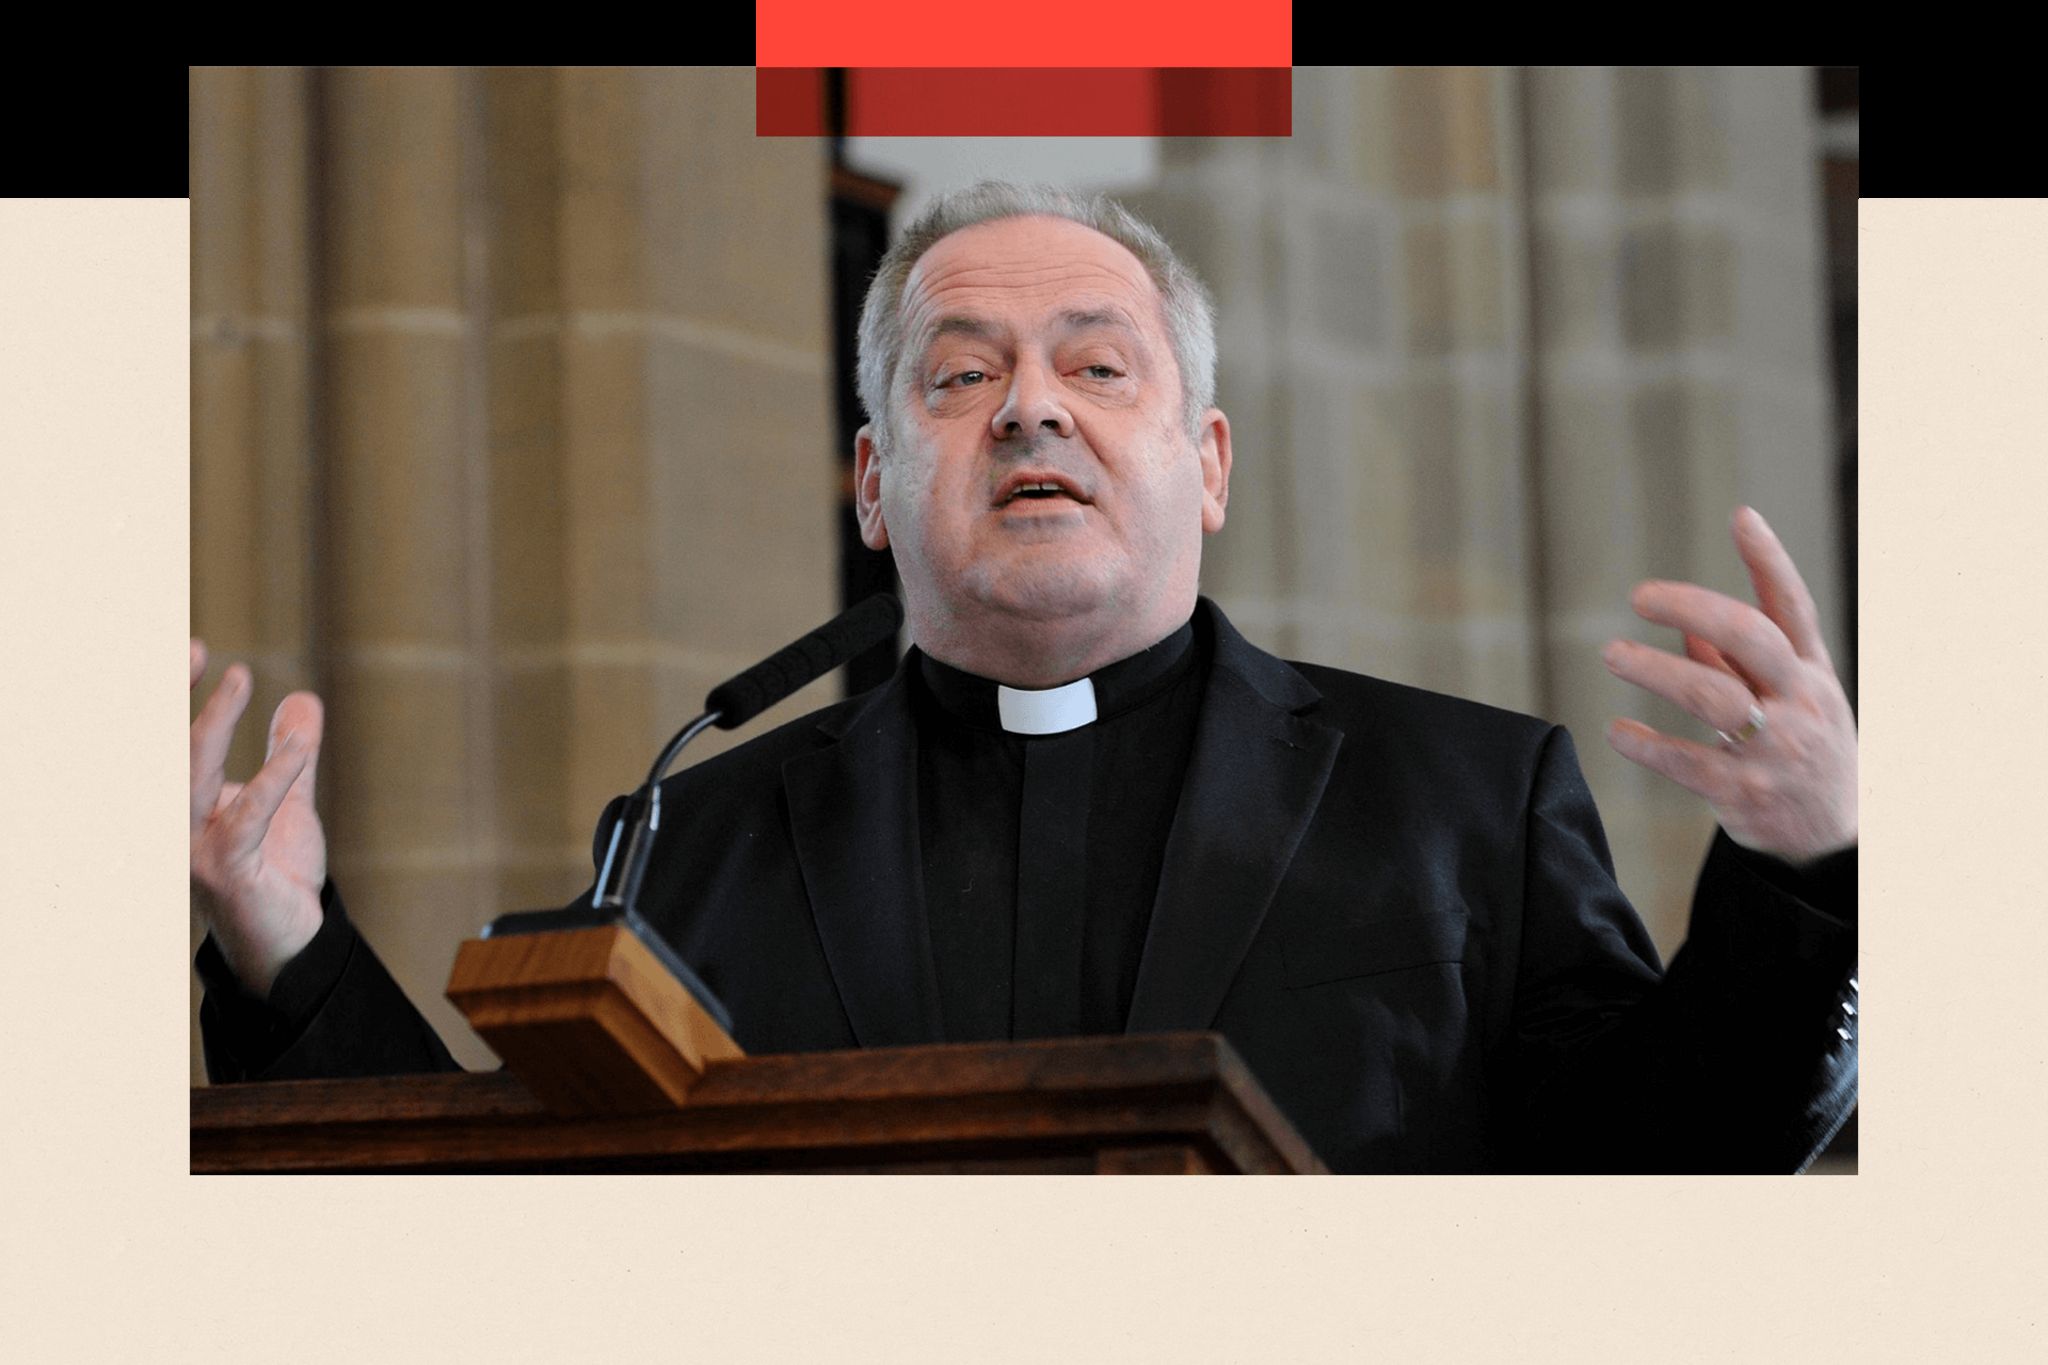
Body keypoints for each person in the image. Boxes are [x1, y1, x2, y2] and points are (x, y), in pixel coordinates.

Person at [189, 182, 1858, 1172]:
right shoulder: (696, 839)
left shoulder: (1467, 804)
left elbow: (1668, 1172)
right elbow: (506, 1221)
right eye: (963, 370)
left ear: (1206, 462)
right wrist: (282, 947)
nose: (1029, 408)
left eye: (1098, 365)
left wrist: (1808, 874)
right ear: (869, 480)